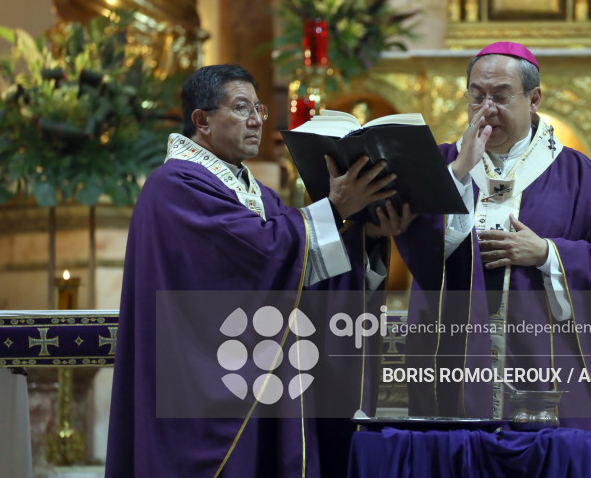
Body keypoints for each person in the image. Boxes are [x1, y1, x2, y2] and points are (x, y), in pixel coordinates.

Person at [105, 64, 412, 477]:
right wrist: (335, 207)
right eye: (240, 107)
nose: (256, 120)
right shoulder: (175, 186)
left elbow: (296, 269)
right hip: (198, 391)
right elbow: (264, 255)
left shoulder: (255, 193)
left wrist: (365, 235)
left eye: (259, 108)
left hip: (257, 376)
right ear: (202, 121)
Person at [394, 42, 591, 469]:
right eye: (476, 96)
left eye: (500, 96)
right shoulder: (442, 165)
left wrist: (547, 253)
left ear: (534, 98)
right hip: (457, 366)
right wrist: (457, 174)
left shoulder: (579, 176)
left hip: (548, 375)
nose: (486, 109)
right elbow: (416, 250)